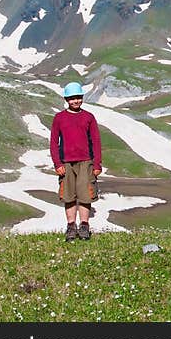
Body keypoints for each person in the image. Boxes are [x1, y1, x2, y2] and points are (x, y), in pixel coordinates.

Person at [49, 81, 102, 241]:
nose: (75, 101)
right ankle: (71, 226)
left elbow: (96, 141)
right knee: (69, 196)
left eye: (78, 97)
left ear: (82, 98)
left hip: (86, 162)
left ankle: (84, 226)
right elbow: (53, 142)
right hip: (66, 163)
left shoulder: (88, 117)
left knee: (86, 195)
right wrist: (57, 164)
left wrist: (97, 164)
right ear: (66, 99)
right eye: (72, 98)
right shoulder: (59, 118)